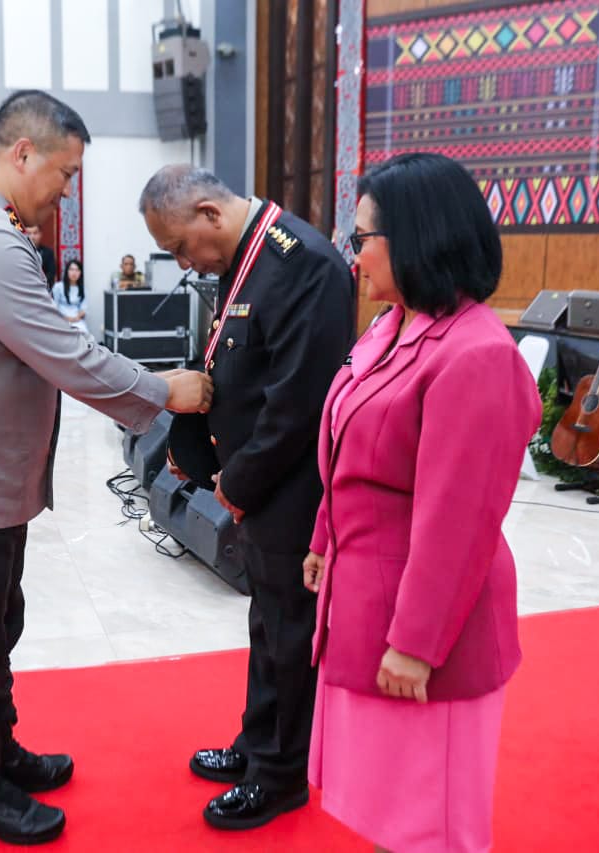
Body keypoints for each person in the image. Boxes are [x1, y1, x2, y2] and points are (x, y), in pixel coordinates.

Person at [0, 90, 213, 846]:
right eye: (64, 174)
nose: (66, 191)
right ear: (22, 153)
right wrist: (165, 391)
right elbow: (64, 355)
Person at [303, 152, 542, 852]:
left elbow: (457, 522)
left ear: (414, 238)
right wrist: (325, 535)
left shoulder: (476, 354)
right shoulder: (391, 324)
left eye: (361, 239)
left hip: (428, 631)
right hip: (366, 602)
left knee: (429, 819)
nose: (353, 256)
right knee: (386, 807)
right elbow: (350, 442)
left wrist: (416, 644)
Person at [140, 164, 355, 831]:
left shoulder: (303, 262)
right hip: (260, 486)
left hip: (291, 487)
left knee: (289, 630)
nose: (182, 261)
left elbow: (297, 402)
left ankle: (281, 773)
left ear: (209, 212)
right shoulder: (249, 255)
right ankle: (257, 741)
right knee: (267, 622)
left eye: (179, 246)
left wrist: (238, 481)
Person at [51, 258, 88, 335]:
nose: (74, 273)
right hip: (61, 320)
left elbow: (83, 309)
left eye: (77, 270)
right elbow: (54, 307)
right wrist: (67, 319)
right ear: (67, 271)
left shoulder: (83, 289)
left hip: (77, 320)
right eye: (71, 269)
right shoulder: (58, 287)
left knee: (84, 335)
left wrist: (75, 318)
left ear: (80, 273)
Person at [25, 223, 56, 287]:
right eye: (29, 233)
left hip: (42, 288)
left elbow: (51, 274)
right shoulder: (20, 251)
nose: (32, 237)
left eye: (35, 233)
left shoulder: (48, 253)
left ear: (40, 234)